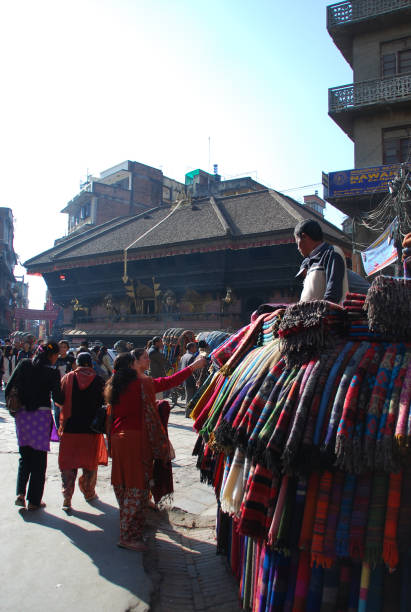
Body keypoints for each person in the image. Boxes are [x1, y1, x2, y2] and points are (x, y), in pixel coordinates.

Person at [105, 348, 206, 551]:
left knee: (122, 482)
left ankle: (128, 526)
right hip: (136, 439)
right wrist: (193, 367)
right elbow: (169, 382)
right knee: (137, 487)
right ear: (133, 364)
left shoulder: (113, 384)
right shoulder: (143, 383)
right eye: (142, 359)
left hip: (117, 438)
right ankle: (128, 536)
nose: (146, 361)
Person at [6, 342, 63, 510]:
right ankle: (34, 501)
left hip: (23, 416)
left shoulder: (24, 364)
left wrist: (15, 412)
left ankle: (20, 494)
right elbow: (59, 399)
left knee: (25, 456)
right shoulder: (52, 372)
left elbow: (9, 387)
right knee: (39, 460)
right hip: (41, 417)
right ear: (51, 356)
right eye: (56, 356)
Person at [58, 352, 107, 511]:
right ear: (91, 364)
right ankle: (89, 493)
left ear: (76, 364)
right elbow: (104, 402)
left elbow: (59, 400)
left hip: (70, 428)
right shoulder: (99, 380)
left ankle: (67, 499)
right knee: (89, 465)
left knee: (68, 466)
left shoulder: (67, 378)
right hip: (91, 429)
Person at [294, 219, 348, 305]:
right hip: (312, 315)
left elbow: (333, 293)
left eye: (297, 242)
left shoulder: (332, 252)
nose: (298, 248)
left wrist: (322, 310)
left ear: (304, 237)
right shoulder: (309, 261)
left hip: (328, 316)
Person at [179, 342, 198, 410]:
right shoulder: (192, 357)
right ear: (191, 348)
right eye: (195, 347)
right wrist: (197, 379)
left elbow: (180, 368)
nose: (196, 348)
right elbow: (193, 370)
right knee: (191, 397)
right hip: (191, 380)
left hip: (185, 380)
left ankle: (187, 412)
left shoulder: (183, 356)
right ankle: (188, 412)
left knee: (188, 397)